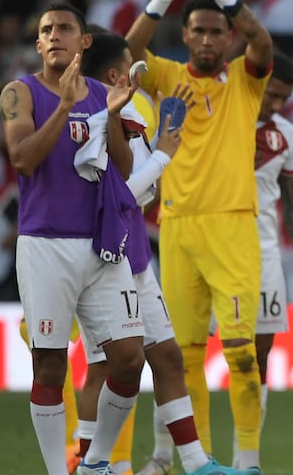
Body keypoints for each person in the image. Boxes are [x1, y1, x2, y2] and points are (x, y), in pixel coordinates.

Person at [125, 0, 275, 470]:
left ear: (227, 37)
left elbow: (263, 44)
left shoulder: (244, 82)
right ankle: (200, 461)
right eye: (199, 31)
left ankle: (248, 462)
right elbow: (126, 55)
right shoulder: (166, 76)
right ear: (185, 36)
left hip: (232, 226)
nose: (209, 40)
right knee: (183, 357)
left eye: (217, 31)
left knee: (240, 355)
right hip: (178, 227)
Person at [79, 31, 254, 475]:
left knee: (168, 357)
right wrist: (164, 154)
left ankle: (195, 464)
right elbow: (125, 195)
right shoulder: (91, 119)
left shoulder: (132, 110)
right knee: (105, 365)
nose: (139, 72)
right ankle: (89, 462)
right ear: (116, 74)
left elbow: (141, 190)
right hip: (102, 259)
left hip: (134, 254)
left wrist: (159, 149)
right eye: (132, 66)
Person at [0, 3, 146, 475]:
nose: (54, 35)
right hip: (46, 244)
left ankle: (94, 462)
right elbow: (23, 159)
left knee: (129, 360)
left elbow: (123, 167)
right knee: (50, 366)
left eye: (65, 28)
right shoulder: (19, 93)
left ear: (85, 41)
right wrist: (64, 106)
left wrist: (113, 117)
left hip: (101, 243)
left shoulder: (103, 93)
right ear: (38, 44)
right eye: (47, 30)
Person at [249, 52, 293, 443]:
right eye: (270, 94)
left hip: (264, 254)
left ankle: (247, 454)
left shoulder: (286, 135)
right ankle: (165, 453)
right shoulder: (220, 117)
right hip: (210, 247)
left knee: (260, 355)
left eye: (283, 98)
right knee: (185, 353)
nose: (275, 104)